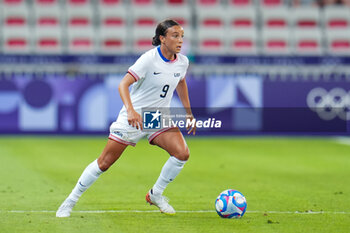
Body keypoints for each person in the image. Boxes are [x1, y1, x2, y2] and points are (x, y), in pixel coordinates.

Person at [56, 19, 196, 217]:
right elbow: (123, 84)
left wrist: (189, 113)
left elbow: (181, 82)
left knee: (182, 153)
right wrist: (130, 110)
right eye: (175, 36)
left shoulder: (183, 61)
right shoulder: (148, 59)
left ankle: (156, 194)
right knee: (104, 163)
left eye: (182, 36)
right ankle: (69, 202)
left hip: (157, 116)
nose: (180, 40)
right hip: (135, 116)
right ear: (163, 39)